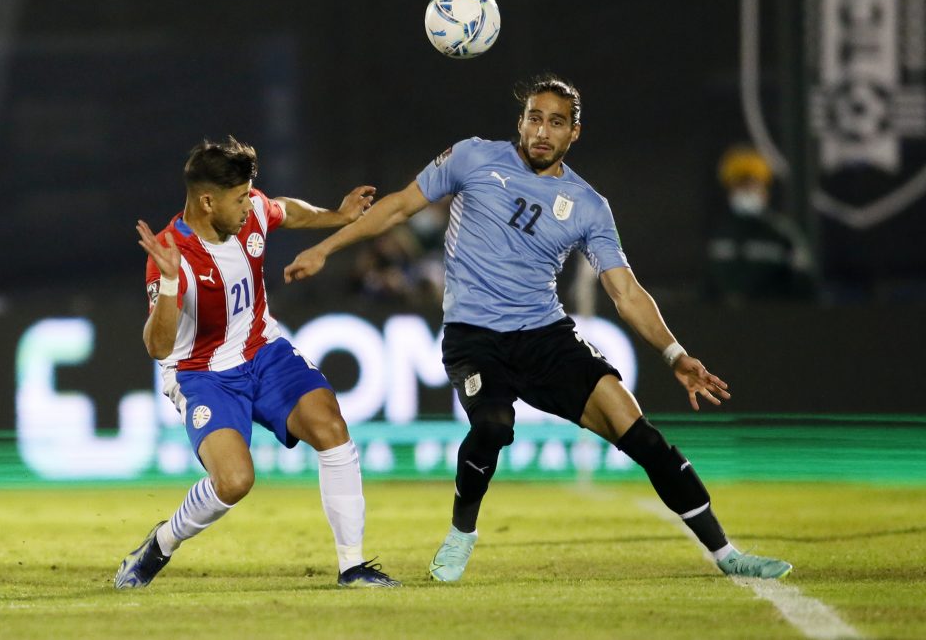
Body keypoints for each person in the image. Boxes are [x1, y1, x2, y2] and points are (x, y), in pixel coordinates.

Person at [284, 74, 793, 582]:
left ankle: (727, 555)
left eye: (555, 122)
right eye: (534, 118)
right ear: (520, 122)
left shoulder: (588, 206)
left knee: (643, 437)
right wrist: (325, 249)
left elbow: (625, 292)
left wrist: (674, 354)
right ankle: (462, 533)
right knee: (492, 427)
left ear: (575, 133)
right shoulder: (472, 158)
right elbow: (397, 206)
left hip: (547, 337)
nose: (542, 131)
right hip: (474, 338)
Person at [115, 137, 400, 589]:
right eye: (240, 198)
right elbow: (158, 347)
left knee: (330, 427)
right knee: (233, 482)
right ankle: (159, 545)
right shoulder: (173, 255)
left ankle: (353, 566)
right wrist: (169, 285)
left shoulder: (251, 214)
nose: (250, 206)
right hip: (202, 374)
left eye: (250, 193)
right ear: (207, 201)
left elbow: (284, 208)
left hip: (263, 352)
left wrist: (338, 216)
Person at [706, 145, 816, 304]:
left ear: (764, 190)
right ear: (729, 190)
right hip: (728, 324)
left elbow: (805, 283)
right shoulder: (719, 234)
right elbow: (709, 286)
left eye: (751, 184)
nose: (745, 191)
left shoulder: (781, 233)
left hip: (775, 320)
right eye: (739, 185)